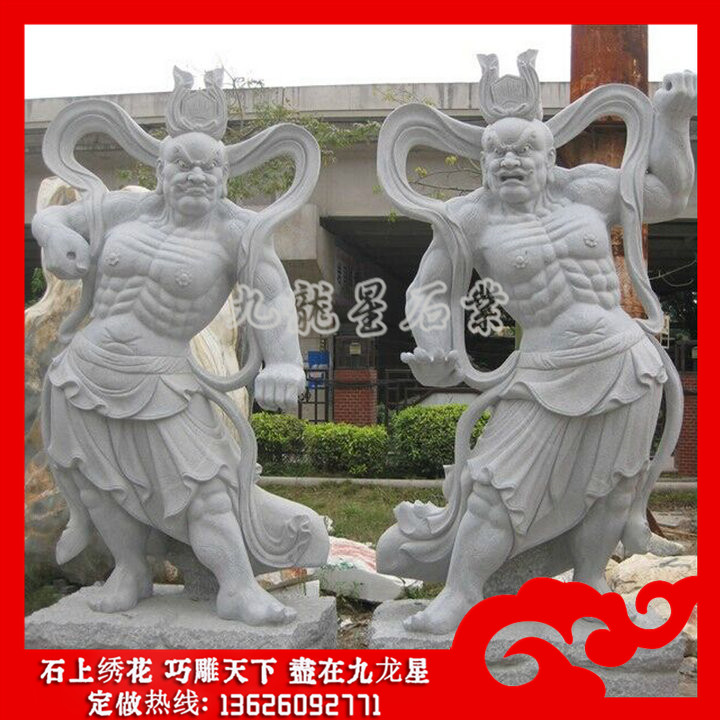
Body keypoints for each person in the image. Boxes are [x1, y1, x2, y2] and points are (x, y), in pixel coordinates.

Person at [376, 55, 696, 634]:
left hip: (627, 362)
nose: (510, 160)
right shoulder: (468, 219)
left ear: (550, 158)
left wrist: (673, 119)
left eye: (524, 150)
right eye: (496, 152)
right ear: (482, 163)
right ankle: (462, 593)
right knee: (494, 484)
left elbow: (671, 197)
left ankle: (590, 585)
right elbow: (430, 290)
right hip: (544, 368)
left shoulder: (590, 190)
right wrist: (435, 346)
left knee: (612, 486)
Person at [32, 69, 328, 625]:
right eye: (182, 164)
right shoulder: (124, 210)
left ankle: (237, 586)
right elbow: (51, 215)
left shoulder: (237, 232)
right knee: (99, 485)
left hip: (163, 378)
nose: (195, 174)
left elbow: (273, 294)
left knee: (206, 487)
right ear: (161, 171)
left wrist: (287, 361)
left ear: (225, 175)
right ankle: (130, 570)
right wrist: (55, 234)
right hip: (81, 372)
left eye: (208, 166)